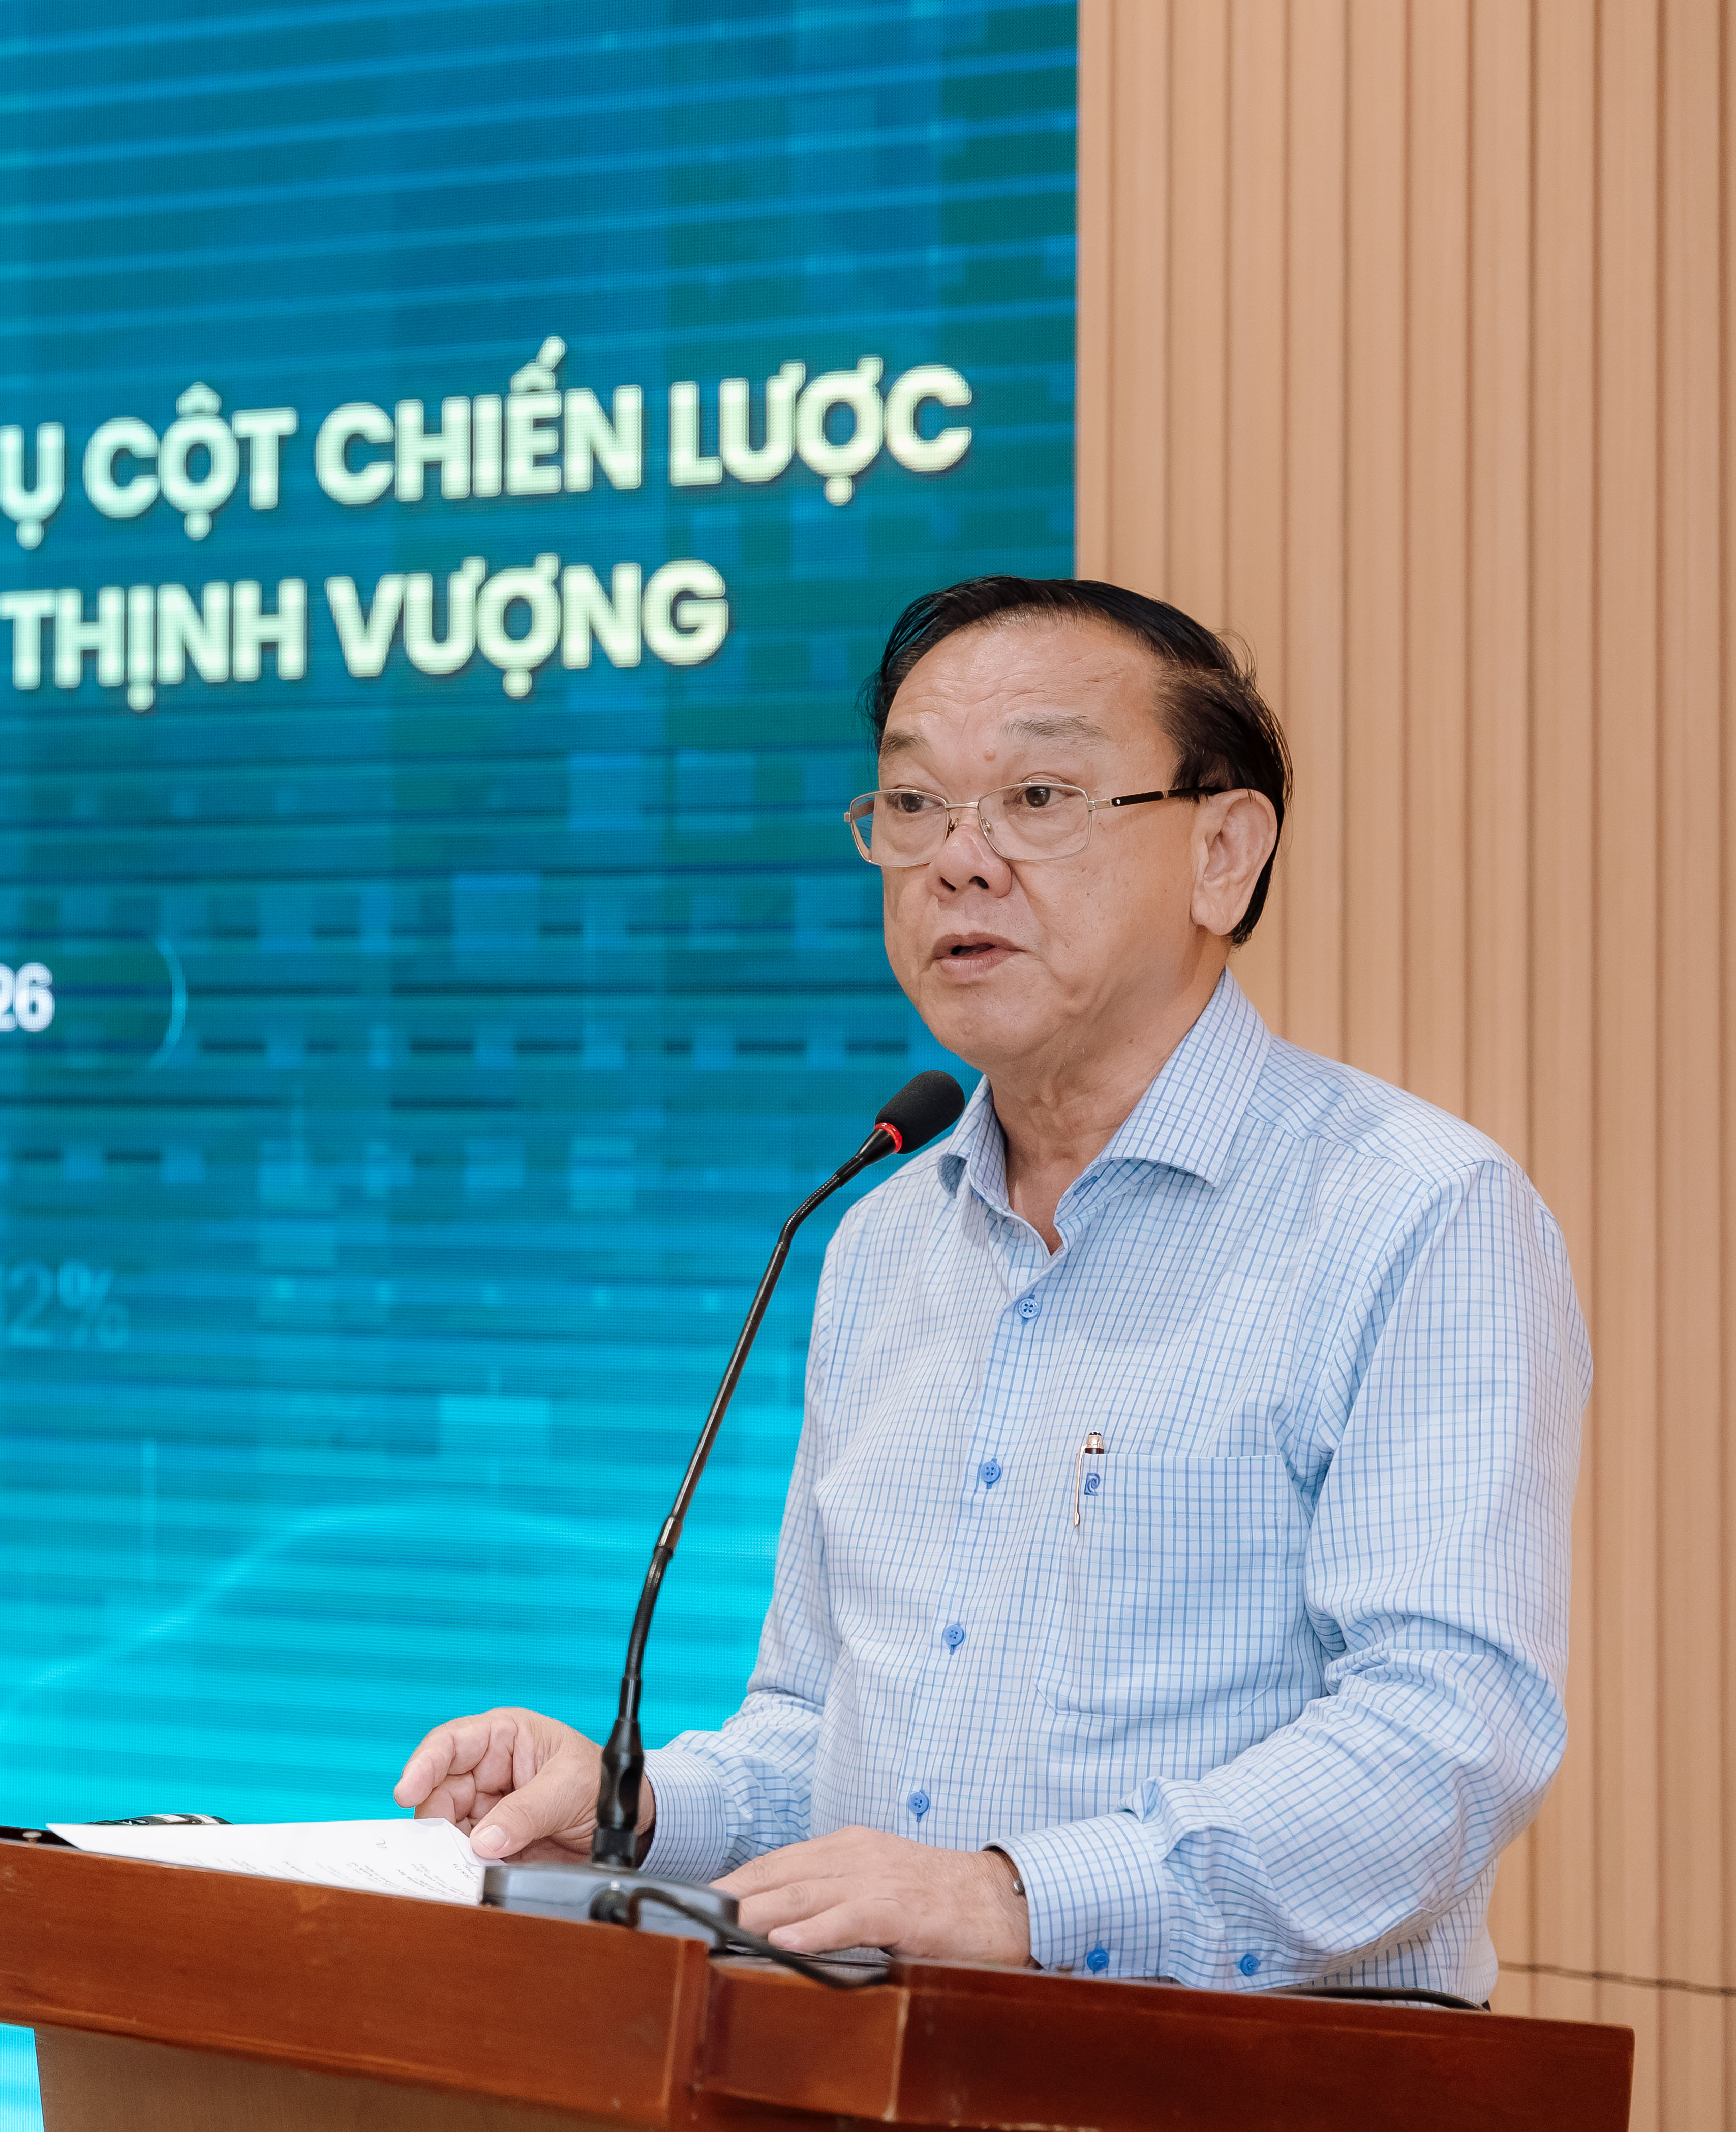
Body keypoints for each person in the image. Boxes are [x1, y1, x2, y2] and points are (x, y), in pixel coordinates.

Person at [395, 575, 1586, 1999]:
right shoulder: (879, 1241)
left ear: (1224, 855)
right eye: (913, 806)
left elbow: (1444, 1738)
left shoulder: (1413, 1213)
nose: (960, 861)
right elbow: (819, 1725)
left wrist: (1018, 1899)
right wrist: (634, 1808)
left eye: (1037, 797)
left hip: (1254, 2074)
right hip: (884, 2059)